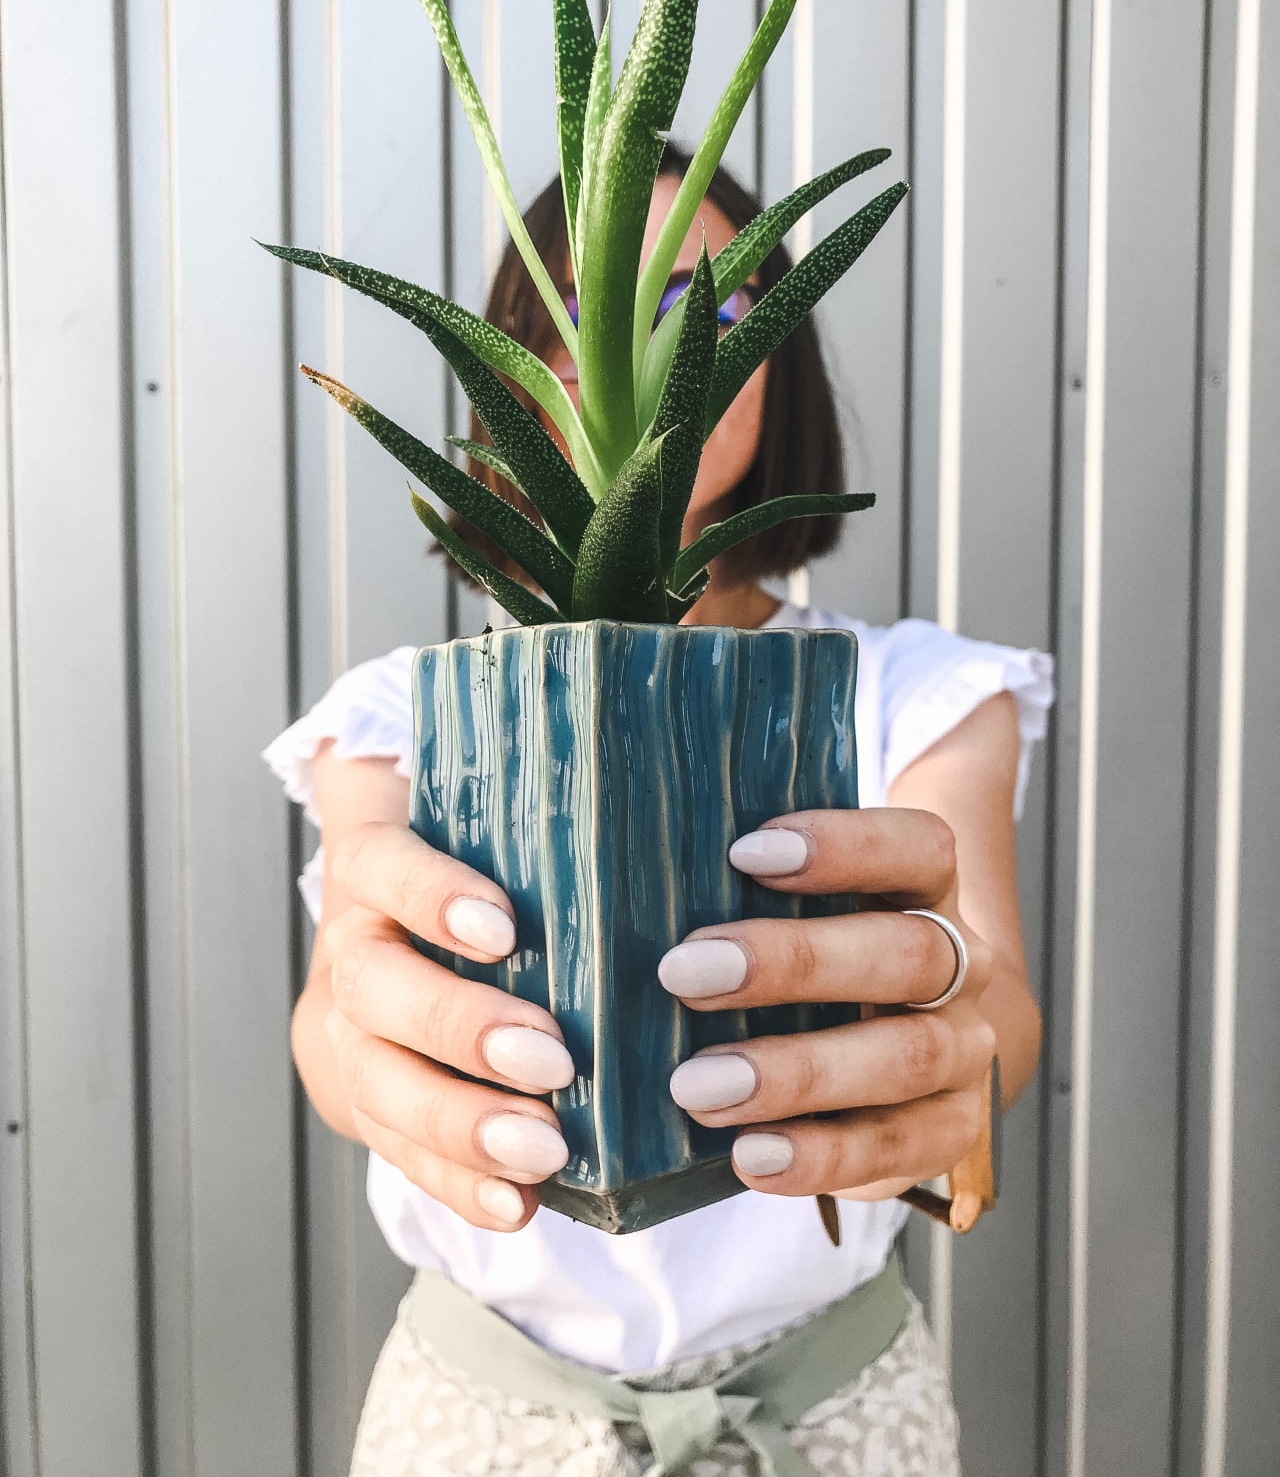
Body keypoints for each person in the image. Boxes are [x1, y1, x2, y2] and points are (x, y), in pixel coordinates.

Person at [264, 143, 1054, 1476]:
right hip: (480, 1409)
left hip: (827, 1406)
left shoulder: (918, 693)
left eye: (713, 306)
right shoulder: (403, 710)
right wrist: (364, 1060)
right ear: (516, 369)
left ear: (785, 359)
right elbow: (341, 997)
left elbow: (994, 998)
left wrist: (959, 1057)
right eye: (584, 313)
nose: (651, 356)